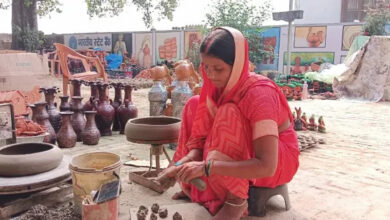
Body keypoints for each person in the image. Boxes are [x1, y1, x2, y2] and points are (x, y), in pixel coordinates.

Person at [157, 27, 300, 220]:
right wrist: (181, 165)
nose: (211, 75)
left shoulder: (259, 94)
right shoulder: (215, 88)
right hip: (236, 155)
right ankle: (197, 188)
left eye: (219, 68)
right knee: (193, 104)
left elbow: (267, 165)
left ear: (239, 64)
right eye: (206, 67)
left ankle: (235, 203)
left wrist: (207, 168)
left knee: (229, 112)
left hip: (275, 159)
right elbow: (199, 146)